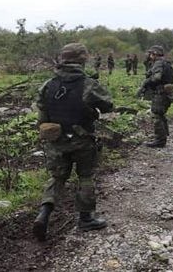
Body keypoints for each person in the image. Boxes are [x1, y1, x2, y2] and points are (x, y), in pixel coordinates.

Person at [33, 43, 114, 241]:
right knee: (85, 176)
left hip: (56, 141)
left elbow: (42, 115)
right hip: (82, 139)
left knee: (57, 178)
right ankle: (86, 219)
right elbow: (108, 105)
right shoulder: (88, 84)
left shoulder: (48, 84)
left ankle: (43, 214)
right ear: (82, 60)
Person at [138, 45, 173, 148]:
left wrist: (147, 82)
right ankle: (163, 136)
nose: (149, 56)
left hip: (161, 92)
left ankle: (160, 140)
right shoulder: (166, 63)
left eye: (150, 54)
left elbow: (157, 78)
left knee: (156, 115)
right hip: (166, 92)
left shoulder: (158, 63)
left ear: (154, 54)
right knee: (161, 114)